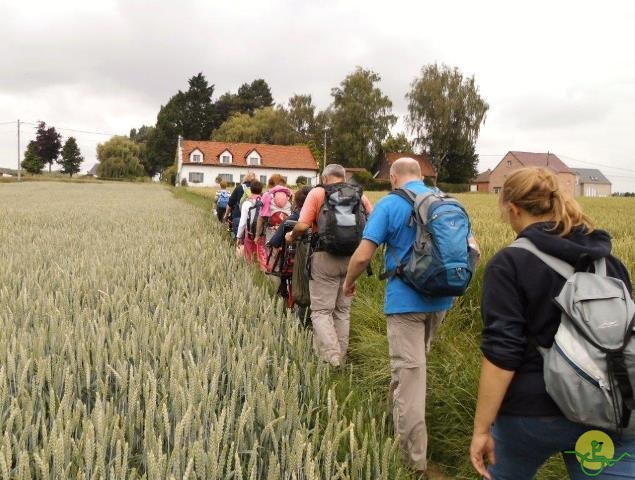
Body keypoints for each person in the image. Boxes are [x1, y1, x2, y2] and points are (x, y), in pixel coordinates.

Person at [469, 167, 635, 479]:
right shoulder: (609, 262)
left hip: (532, 416)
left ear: (513, 209)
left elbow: (502, 352)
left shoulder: (509, 263)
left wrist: (481, 429)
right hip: (606, 408)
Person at [342, 157, 458, 475]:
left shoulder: (390, 204)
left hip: (406, 302)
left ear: (393, 177)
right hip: (442, 299)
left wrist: (349, 282)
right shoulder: (446, 200)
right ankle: (401, 428)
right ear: (420, 176)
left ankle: (412, 463)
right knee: (411, 372)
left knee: (410, 380)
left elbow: (364, 254)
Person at [286, 164, 373, 367]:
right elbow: (372, 221)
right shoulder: (359, 195)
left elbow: (303, 225)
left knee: (322, 311)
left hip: (324, 257)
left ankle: (332, 359)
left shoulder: (318, 193)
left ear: (324, 178)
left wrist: (292, 236)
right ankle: (340, 357)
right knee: (342, 311)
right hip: (352, 258)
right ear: (343, 177)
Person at [256, 174, 293, 270]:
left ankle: (272, 278)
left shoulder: (267, 195)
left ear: (271, 183)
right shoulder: (289, 194)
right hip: (287, 229)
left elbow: (261, 217)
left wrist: (257, 234)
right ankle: (282, 277)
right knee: (284, 253)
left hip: (271, 229)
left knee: (271, 254)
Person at [236, 180, 264, 263]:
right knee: (260, 255)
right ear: (261, 190)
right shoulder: (264, 202)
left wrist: (238, 236)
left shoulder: (247, 203)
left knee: (249, 256)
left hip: (249, 233)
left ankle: (250, 269)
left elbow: (243, 222)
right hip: (261, 233)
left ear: (250, 190)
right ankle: (260, 272)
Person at [224, 172, 256, 239]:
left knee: (239, 239)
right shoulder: (257, 189)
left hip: (238, 216)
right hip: (253, 219)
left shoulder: (239, 188)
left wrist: (226, 216)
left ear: (245, 178)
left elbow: (230, 204)